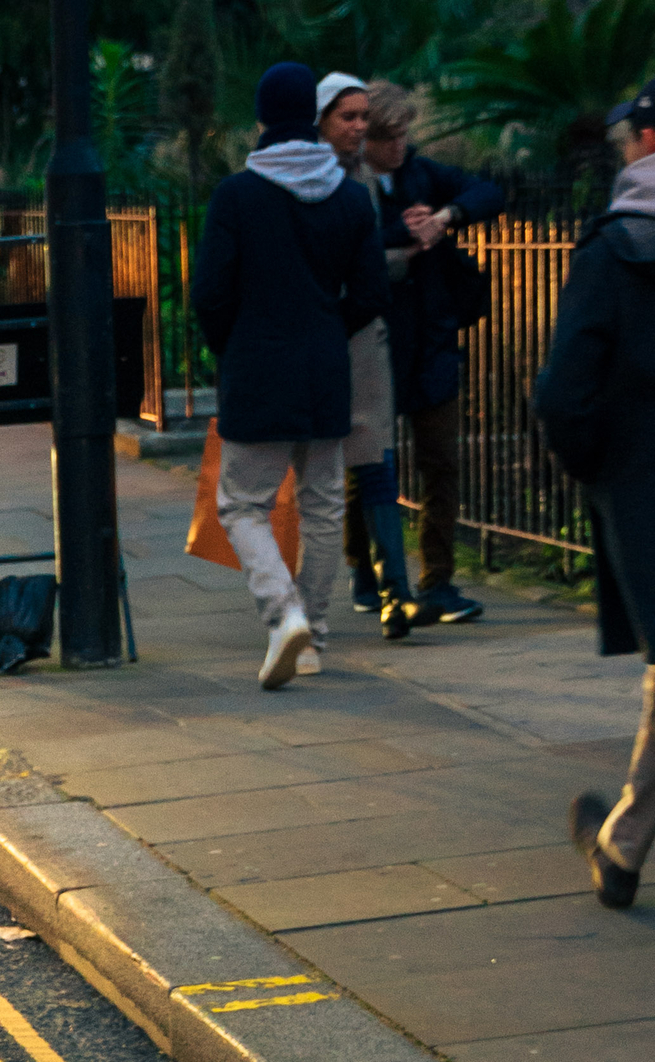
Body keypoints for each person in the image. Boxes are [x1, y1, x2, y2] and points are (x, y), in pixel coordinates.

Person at [193, 62, 389, 689]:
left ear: (260, 119)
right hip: (326, 366)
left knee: (241, 504)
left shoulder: (237, 196)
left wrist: (236, 343)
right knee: (325, 506)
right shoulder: (351, 197)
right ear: (311, 115)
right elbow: (369, 292)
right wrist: (329, 329)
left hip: (257, 363)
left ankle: (285, 615)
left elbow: (210, 295)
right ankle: (315, 638)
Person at [537, 77, 655, 908]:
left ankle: (622, 843)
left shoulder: (616, 251)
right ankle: (622, 840)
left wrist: (600, 468)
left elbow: (564, 392)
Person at [362, 80, 503, 623]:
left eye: (403, 134)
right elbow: (345, 244)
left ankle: (438, 581)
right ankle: (370, 572)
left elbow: (488, 192)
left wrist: (446, 219)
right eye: (387, 136)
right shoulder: (351, 183)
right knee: (369, 465)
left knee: (441, 463)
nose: (398, 145)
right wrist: (404, 231)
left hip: (434, 340)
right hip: (377, 343)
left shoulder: (422, 173)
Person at [318, 72, 418, 643]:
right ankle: (300, 601)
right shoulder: (308, 178)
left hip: (360, 335)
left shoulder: (367, 182)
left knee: (375, 456)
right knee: (315, 473)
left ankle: (395, 593)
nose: (359, 129)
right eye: (348, 118)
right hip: (323, 331)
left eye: (363, 119)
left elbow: (367, 264)